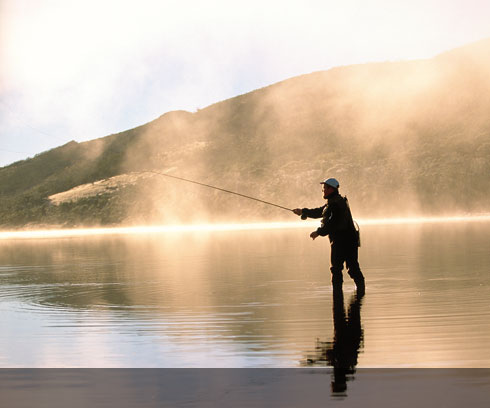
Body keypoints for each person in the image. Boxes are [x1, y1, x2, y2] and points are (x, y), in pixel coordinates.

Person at [293, 178, 365, 291]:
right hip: (348, 240)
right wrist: (303, 211)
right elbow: (319, 212)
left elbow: (333, 223)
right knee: (351, 268)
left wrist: (318, 232)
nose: (323, 190)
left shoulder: (336, 203)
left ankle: (339, 297)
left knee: (338, 269)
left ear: (331, 189)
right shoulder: (334, 201)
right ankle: (357, 293)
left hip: (343, 241)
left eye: (325, 188)